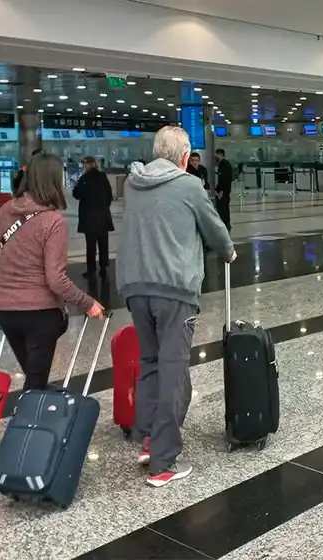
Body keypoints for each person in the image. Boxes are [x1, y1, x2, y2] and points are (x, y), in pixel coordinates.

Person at [118, 126, 235, 487]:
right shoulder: (189, 185)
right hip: (174, 290)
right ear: (185, 157)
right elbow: (213, 228)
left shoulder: (132, 184)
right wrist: (229, 251)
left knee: (151, 363)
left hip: (136, 288)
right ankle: (163, 463)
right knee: (173, 370)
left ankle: (149, 439)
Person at [0, 152, 104, 392]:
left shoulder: (7, 209)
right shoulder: (53, 220)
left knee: (34, 374)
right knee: (36, 383)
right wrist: (88, 302)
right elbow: (55, 279)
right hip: (39, 311)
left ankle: (39, 412)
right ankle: (29, 424)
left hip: (2, 307)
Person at [73, 156, 114, 279]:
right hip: (102, 216)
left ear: (87, 165)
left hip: (89, 217)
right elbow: (109, 195)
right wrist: (104, 207)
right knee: (103, 243)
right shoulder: (102, 177)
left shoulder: (84, 178)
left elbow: (76, 194)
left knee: (91, 245)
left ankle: (91, 269)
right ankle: (104, 267)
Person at [214, 148, 233, 231]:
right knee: (222, 207)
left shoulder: (224, 165)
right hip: (222, 190)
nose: (215, 157)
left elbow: (226, 179)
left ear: (220, 155)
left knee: (223, 208)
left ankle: (226, 224)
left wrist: (222, 191)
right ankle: (225, 224)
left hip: (224, 191)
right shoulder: (223, 164)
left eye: (216, 155)